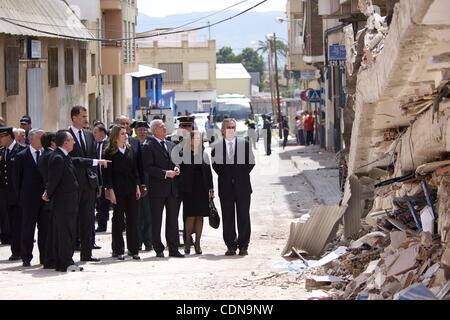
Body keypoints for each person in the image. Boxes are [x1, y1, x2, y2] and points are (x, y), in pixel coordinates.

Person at [211, 118, 255, 256]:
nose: (230, 130)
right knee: (228, 217)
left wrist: (239, 175)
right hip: (225, 188)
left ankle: (243, 246)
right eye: (228, 127)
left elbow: (251, 163)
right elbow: (215, 165)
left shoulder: (245, 144)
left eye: (233, 127)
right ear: (222, 130)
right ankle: (230, 245)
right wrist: (227, 177)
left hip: (243, 187)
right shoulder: (217, 146)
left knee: (243, 216)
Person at [142, 119, 184, 258]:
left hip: (172, 189)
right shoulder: (149, 146)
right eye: (161, 126)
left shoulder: (171, 144)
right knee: (157, 220)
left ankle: (173, 248)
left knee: (172, 219)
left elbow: (176, 161)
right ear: (154, 130)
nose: (165, 128)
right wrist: (165, 173)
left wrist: (176, 168)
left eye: (165, 126)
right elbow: (148, 167)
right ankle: (158, 248)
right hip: (157, 189)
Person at [68, 106, 101, 261]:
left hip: (89, 185)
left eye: (86, 116)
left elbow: (94, 161)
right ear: (74, 118)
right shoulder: (65, 136)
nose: (86, 119)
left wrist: (98, 184)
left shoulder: (89, 135)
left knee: (87, 221)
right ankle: (67, 255)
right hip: (72, 186)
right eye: (83, 116)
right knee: (71, 221)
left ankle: (87, 254)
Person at [103, 126, 141, 260]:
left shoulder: (130, 149)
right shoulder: (108, 152)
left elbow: (135, 170)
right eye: (123, 133)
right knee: (118, 220)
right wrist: (110, 190)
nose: (126, 135)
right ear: (115, 136)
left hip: (131, 189)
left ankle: (133, 249)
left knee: (133, 219)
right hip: (117, 190)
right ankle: (118, 250)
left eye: (126, 133)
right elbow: (107, 174)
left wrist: (137, 187)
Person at [13, 129, 47, 267]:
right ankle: (26, 257)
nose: (42, 141)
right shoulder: (21, 156)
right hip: (28, 200)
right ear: (32, 139)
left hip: (45, 199)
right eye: (40, 138)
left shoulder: (46, 154)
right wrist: (20, 198)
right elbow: (17, 180)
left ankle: (44, 257)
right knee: (28, 229)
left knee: (45, 230)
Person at [178, 131, 214, 255]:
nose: (197, 140)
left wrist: (211, 189)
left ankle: (198, 243)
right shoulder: (183, 154)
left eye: (199, 138)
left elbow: (209, 174)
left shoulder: (204, 155)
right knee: (190, 216)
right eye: (195, 138)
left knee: (200, 216)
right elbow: (180, 174)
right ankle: (188, 241)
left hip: (202, 189)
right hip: (189, 190)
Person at [0, 127, 27, 260]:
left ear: (9, 137)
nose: (0, 140)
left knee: (19, 224)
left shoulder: (21, 150)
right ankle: (15, 250)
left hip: (19, 194)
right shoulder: (2, 152)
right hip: (6, 195)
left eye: (1, 137)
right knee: (10, 223)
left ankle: (19, 251)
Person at [38, 132, 57, 269]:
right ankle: (49, 258)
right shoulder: (51, 155)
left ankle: (46, 258)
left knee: (46, 230)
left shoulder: (43, 154)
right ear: (52, 142)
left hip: (47, 197)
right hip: (52, 198)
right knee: (50, 231)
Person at [133, 121, 153, 251]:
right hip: (135, 183)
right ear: (136, 131)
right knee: (137, 215)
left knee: (149, 214)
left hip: (150, 183)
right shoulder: (131, 143)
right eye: (139, 129)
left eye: (144, 129)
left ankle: (149, 241)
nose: (142, 132)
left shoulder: (152, 143)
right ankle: (138, 241)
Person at [93, 123, 110, 233]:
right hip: (98, 178)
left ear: (102, 132)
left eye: (95, 132)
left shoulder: (109, 143)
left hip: (108, 177)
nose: (93, 134)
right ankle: (101, 225)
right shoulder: (94, 144)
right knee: (101, 203)